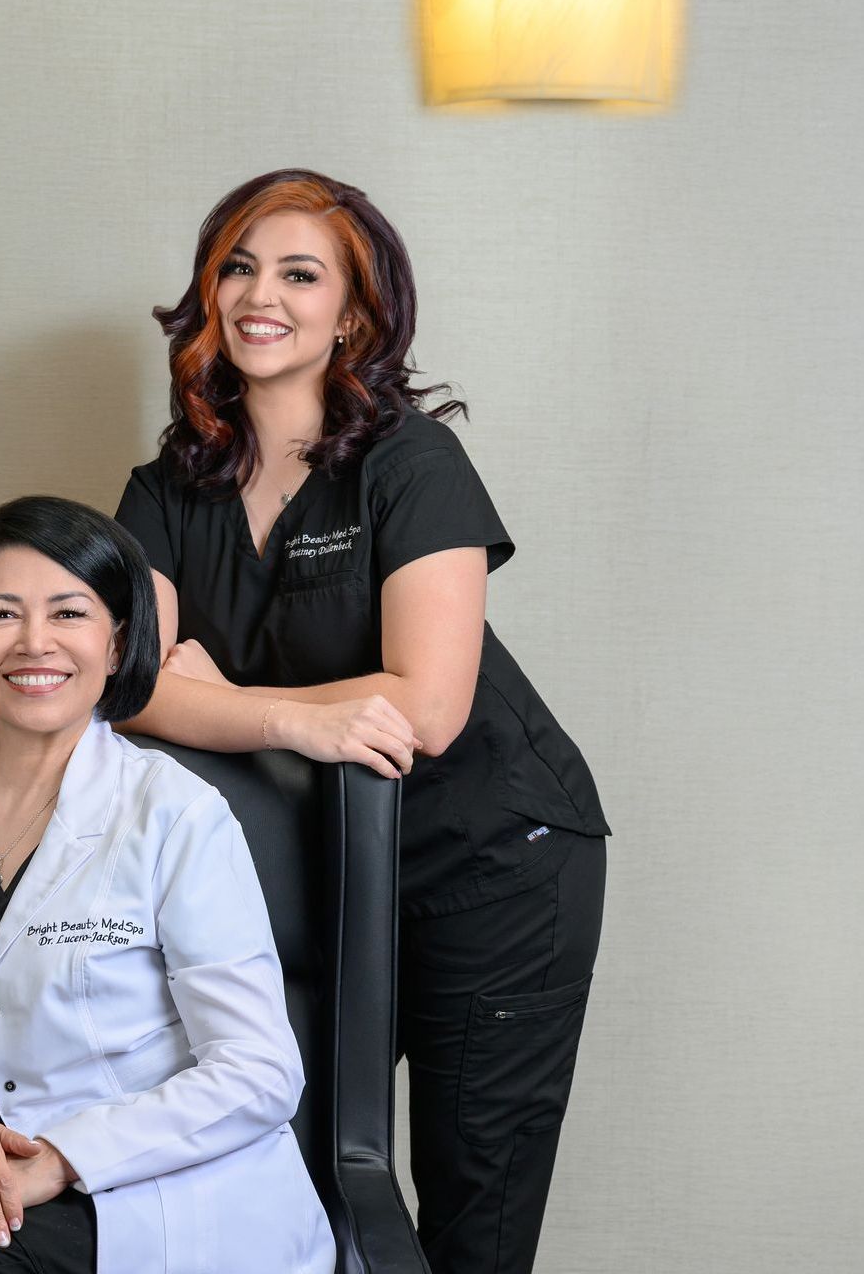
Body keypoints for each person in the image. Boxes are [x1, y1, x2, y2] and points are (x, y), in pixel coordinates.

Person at [113, 168, 609, 1273]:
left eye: (300, 272)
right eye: (237, 265)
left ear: (355, 313)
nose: (260, 293)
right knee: (284, 1178)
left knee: (471, 1205)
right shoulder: (166, 488)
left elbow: (425, 705)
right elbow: (127, 688)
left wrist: (227, 702)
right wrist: (307, 718)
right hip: (317, 871)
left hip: (489, 859)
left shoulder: (408, 460)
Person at [0, 497, 334, 1274]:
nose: (34, 643)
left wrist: (58, 1158)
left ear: (117, 644)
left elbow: (258, 1069)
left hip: (160, 1203)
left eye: (68, 613)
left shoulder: (175, 813)